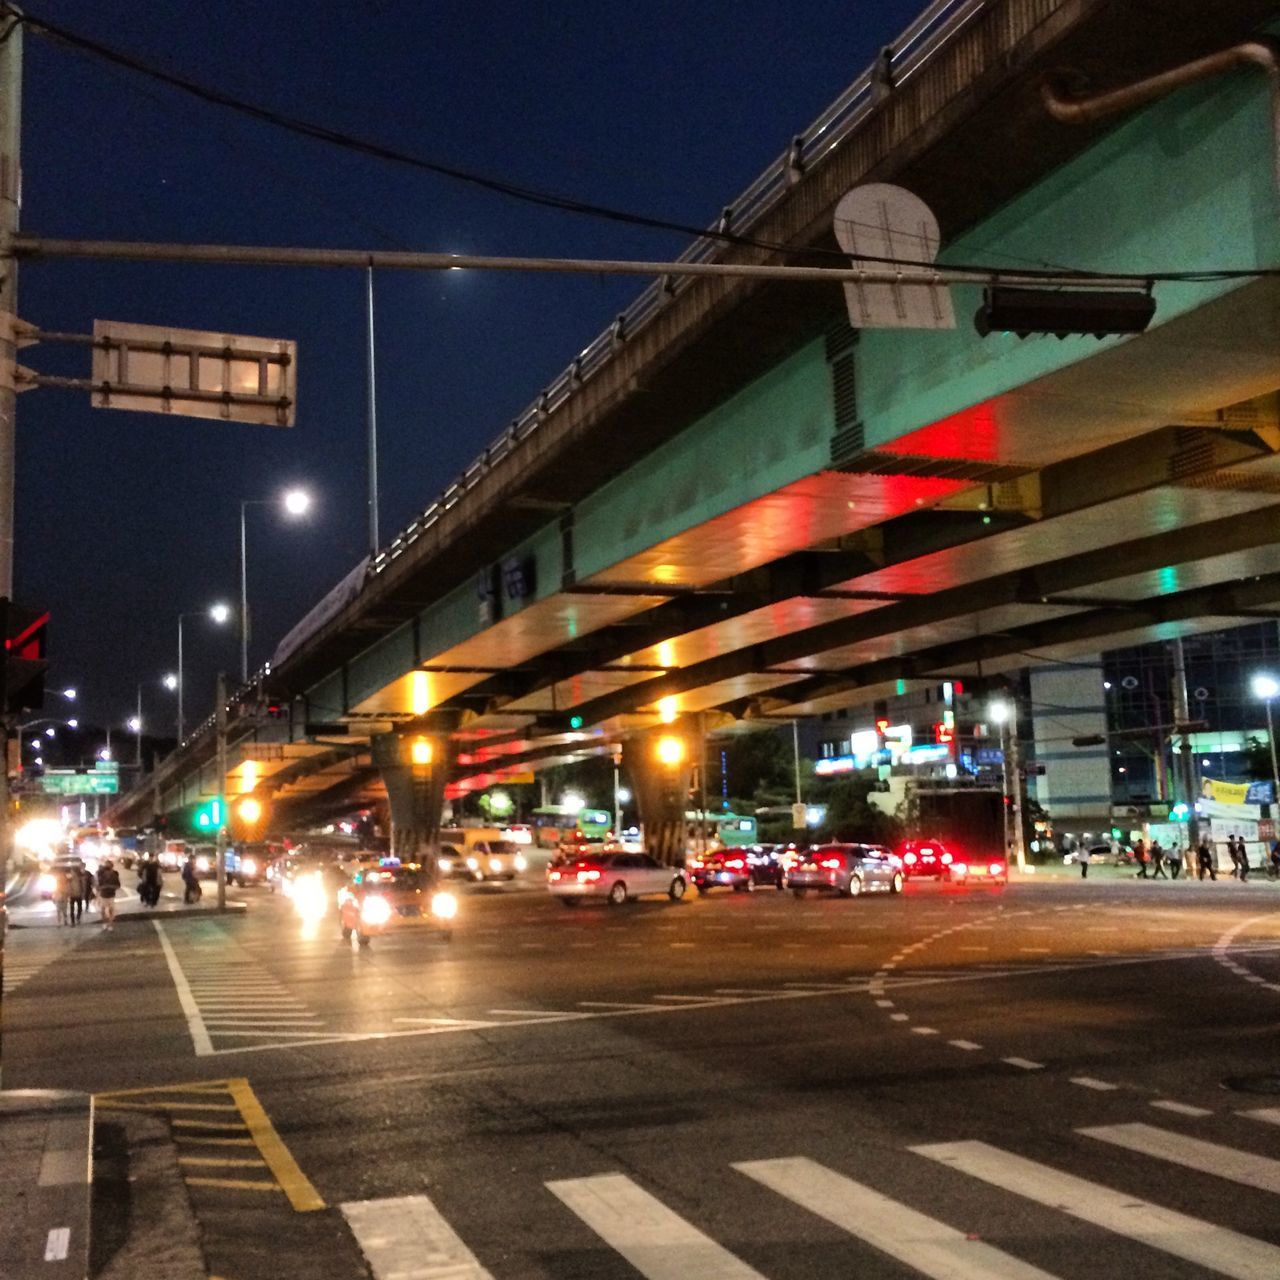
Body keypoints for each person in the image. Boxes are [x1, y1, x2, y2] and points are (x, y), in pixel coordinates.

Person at [97, 859, 121, 929]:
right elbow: (98, 885)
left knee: (110, 910)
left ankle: (110, 924)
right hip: (103, 895)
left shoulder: (114, 874)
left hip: (111, 895)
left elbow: (118, 885)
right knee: (103, 910)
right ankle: (105, 923)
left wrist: (109, 886)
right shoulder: (101, 874)